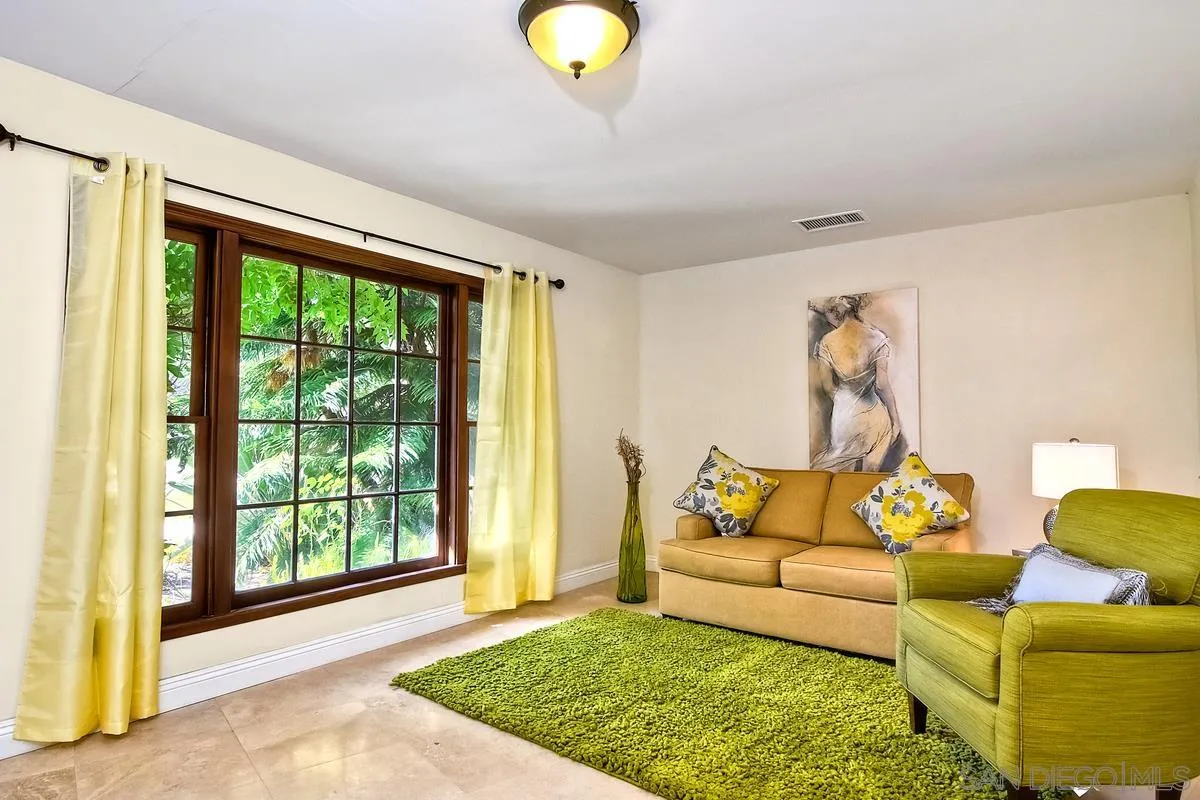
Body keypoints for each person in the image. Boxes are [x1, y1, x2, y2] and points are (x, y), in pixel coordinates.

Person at [809, 294, 907, 472]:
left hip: (844, 418)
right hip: (874, 417)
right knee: (868, 482)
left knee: (845, 483)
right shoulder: (877, 337)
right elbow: (881, 385)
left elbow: (827, 386)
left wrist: (845, 395)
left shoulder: (827, 341)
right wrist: (895, 419)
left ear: (835, 312)